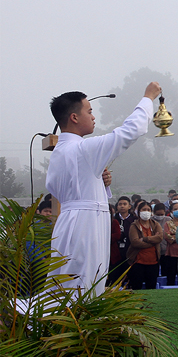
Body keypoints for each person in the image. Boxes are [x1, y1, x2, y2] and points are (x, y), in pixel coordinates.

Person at [45, 82, 161, 296]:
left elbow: (64, 189)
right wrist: (148, 98)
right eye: (89, 111)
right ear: (74, 117)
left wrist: (99, 180)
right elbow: (130, 131)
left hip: (71, 220)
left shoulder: (61, 151)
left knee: (72, 283)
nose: (93, 116)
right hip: (85, 225)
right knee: (81, 283)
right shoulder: (83, 148)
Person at [126, 201, 162, 290]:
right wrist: (153, 241)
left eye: (148, 210)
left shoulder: (155, 224)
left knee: (151, 287)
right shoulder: (134, 225)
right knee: (136, 287)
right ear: (139, 212)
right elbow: (135, 242)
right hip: (138, 262)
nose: (146, 211)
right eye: (144, 209)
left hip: (153, 261)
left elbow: (160, 238)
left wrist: (145, 239)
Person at [163, 202, 178, 285]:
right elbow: (167, 237)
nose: (177, 211)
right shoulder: (167, 224)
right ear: (171, 211)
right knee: (171, 277)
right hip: (171, 255)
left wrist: (175, 235)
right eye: (175, 209)